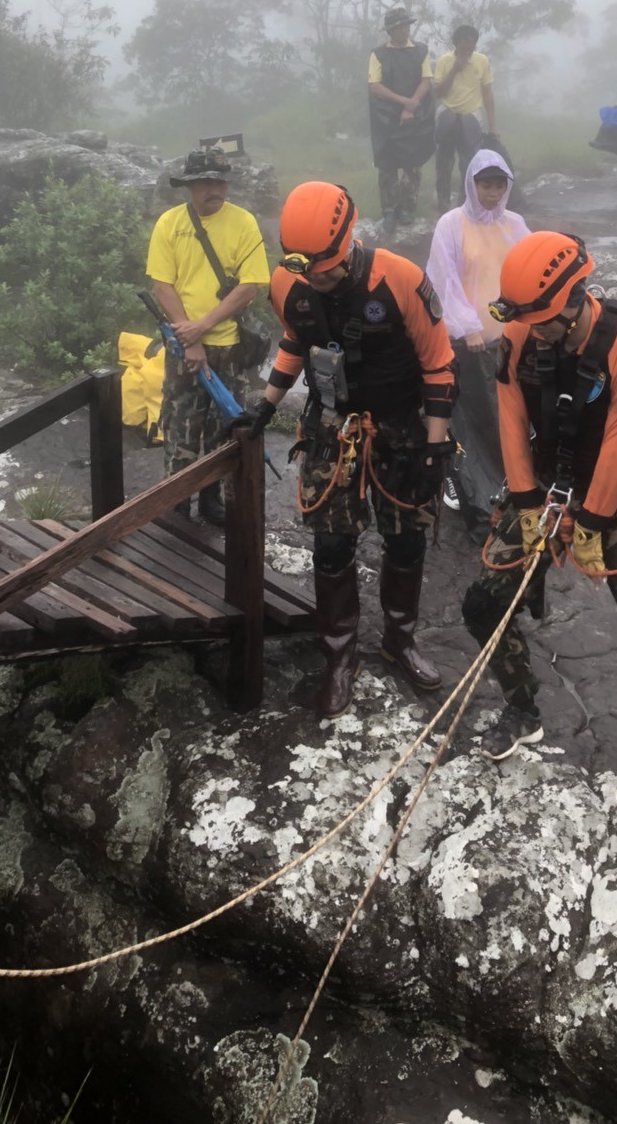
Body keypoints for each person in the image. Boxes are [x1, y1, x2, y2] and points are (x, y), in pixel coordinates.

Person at [460, 231, 617, 815]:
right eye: (526, 320)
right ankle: (521, 705)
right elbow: (509, 418)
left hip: (616, 494)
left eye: (542, 319)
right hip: (541, 486)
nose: (532, 330)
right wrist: (527, 501)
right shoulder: (518, 334)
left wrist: (590, 522)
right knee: (484, 605)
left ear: (572, 299)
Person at [230, 181, 457, 718]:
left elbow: (439, 363)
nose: (317, 281)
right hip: (331, 426)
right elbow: (294, 341)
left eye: (326, 271)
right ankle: (339, 655)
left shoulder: (400, 279)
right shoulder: (289, 283)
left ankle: (399, 640)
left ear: (349, 243)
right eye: (307, 271)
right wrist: (266, 404)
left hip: (401, 426)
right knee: (331, 545)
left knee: (405, 540)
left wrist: (434, 447)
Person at [145, 148, 271, 524]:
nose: (212, 189)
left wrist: (203, 327)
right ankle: (175, 499)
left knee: (223, 426)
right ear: (189, 186)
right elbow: (160, 284)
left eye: (218, 181)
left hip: (229, 347)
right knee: (181, 423)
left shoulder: (244, 223)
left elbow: (249, 286)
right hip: (183, 349)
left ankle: (211, 497)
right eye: (204, 182)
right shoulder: (169, 223)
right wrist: (191, 339)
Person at [426, 150, 528, 534]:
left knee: (511, 419)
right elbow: (442, 278)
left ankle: (515, 490)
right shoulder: (451, 224)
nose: (492, 191)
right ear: (471, 184)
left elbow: (529, 270)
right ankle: (476, 493)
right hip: (468, 345)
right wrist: (467, 326)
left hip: (509, 341)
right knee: (474, 420)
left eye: (499, 184)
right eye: (485, 184)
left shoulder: (515, 224)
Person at [367, 7, 436, 235]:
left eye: (406, 25)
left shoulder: (420, 51)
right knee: (387, 165)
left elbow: (426, 80)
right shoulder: (378, 54)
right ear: (390, 30)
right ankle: (388, 210)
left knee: (412, 164)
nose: (404, 30)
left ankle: (407, 208)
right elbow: (375, 86)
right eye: (399, 26)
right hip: (385, 116)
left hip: (415, 114)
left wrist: (412, 103)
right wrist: (402, 102)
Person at [432, 25, 501, 212]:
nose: (467, 46)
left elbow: (487, 93)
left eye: (471, 42)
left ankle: (466, 204)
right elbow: (438, 92)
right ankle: (443, 206)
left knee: (469, 164)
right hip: (449, 112)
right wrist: (455, 68)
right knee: (444, 164)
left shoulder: (481, 61)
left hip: (471, 115)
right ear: (457, 43)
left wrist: (493, 126)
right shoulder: (444, 61)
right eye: (464, 42)